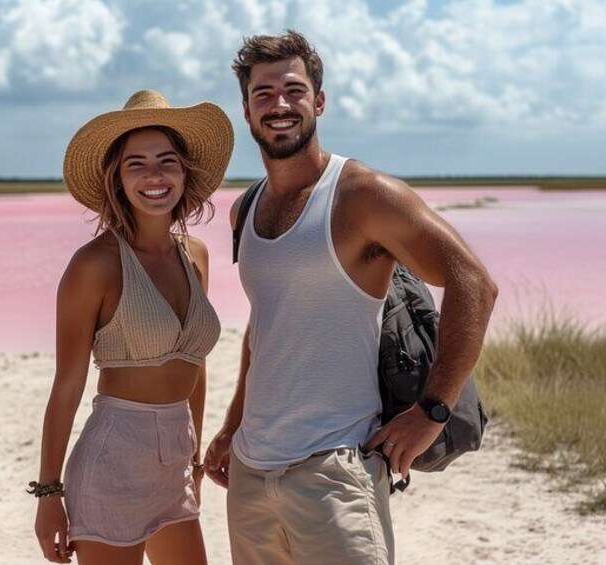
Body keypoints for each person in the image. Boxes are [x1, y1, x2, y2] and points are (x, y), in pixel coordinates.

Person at [203, 30, 498, 564]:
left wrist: (432, 410)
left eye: (293, 90)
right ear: (246, 111)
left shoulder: (362, 194)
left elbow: (473, 281)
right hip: (251, 471)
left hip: (335, 469)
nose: (280, 105)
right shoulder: (245, 209)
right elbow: (266, 327)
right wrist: (230, 427)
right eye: (263, 94)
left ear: (318, 100)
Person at [32, 89, 233, 565]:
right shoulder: (94, 265)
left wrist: (196, 465)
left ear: (185, 172)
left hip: (176, 471)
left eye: (167, 161)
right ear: (117, 180)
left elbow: (195, 367)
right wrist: (47, 494)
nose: (154, 176)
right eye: (135, 164)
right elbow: (66, 387)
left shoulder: (196, 255)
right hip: (112, 463)